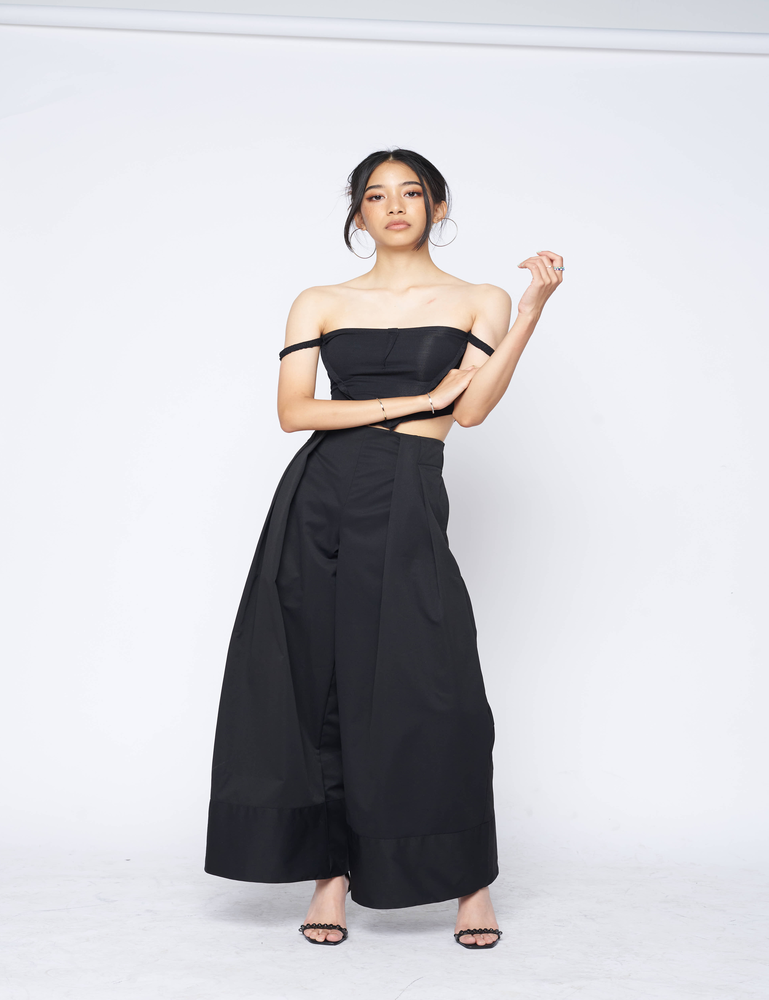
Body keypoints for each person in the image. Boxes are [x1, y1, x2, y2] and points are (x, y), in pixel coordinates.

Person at [204, 147, 563, 949]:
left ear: (438, 206)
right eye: (375, 195)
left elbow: (470, 412)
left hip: (407, 491)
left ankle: (469, 881)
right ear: (357, 214)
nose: (394, 205)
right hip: (318, 496)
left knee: (437, 688)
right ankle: (330, 874)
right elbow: (295, 413)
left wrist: (531, 312)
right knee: (319, 683)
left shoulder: (480, 299)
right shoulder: (320, 301)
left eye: (411, 192)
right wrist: (416, 398)